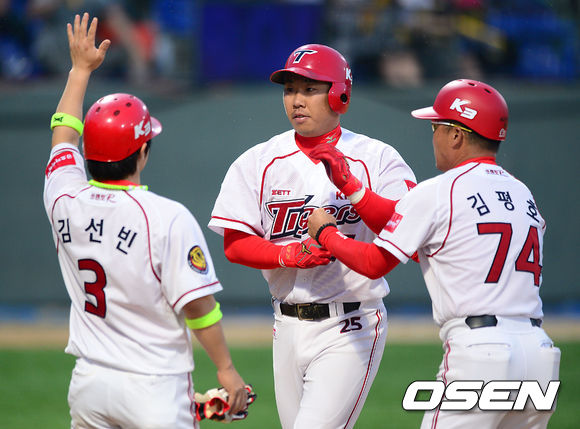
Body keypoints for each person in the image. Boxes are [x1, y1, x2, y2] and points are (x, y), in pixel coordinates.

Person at [307, 79, 561, 429]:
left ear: (456, 135)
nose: (434, 136)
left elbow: (373, 262)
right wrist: (352, 186)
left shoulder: (441, 190)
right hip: (539, 354)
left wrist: (326, 233)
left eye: (436, 126)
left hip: (481, 352)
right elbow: (405, 221)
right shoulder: (521, 193)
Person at [43, 13, 249, 428]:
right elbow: (199, 307)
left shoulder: (63, 197)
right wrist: (226, 370)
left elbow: (63, 134)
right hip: (154, 386)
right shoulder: (166, 217)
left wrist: (80, 70)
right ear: (142, 152)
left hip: (88, 384)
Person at [208, 44, 416, 428]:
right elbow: (234, 245)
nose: (296, 100)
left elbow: (406, 229)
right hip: (285, 324)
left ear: (339, 95)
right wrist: (287, 255)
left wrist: (353, 188)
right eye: (289, 90)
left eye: (309, 89)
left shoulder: (377, 157)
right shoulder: (258, 160)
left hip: (351, 322)